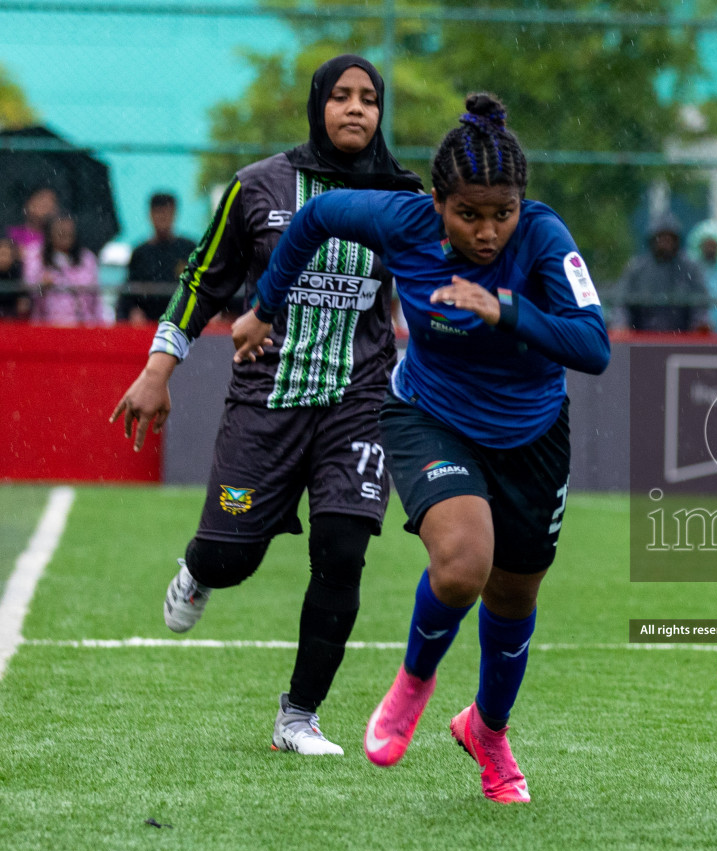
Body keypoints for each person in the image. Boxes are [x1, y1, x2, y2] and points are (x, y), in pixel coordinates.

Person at [232, 93, 610, 804]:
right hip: (429, 416)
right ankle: (413, 682)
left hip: (532, 434)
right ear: (436, 201)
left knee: (514, 593)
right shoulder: (399, 221)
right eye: (469, 214)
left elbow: (594, 346)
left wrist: (505, 309)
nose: (489, 231)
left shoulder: (546, 238)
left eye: (502, 213)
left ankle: (487, 731)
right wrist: (264, 307)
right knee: (464, 566)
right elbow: (314, 218)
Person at [109, 55, 422, 755]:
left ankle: (299, 716)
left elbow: (436, 291)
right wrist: (158, 371)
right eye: (340, 96)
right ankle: (198, 572)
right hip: (267, 399)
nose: (354, 109)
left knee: (342, 553)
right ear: (317, 106)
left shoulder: (404, 198)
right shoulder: (257, 187)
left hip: (361, 400)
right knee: (230, 559)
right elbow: (202, 281)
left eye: (368, 99)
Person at [612, 211, 709, 333]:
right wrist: (621, 325)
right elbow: (621, 303)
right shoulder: (636, 268)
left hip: (683, 337)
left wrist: (699, 325)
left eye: (670, 238)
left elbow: (700, 305)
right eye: (661, 238)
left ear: (677, 240)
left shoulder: (690, 268)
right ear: (652, 240)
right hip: (642, 337)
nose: (665, 242)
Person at [116, 193, 196, 323]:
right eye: (159, 213)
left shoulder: (189, 250)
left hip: (183, 323)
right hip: (148, 323)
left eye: (167, 212)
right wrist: (134, 312)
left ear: (174, 214)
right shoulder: (140, 254)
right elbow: (128, 295)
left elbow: (204, 288)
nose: (163, 218)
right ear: (150, 215)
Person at [25, 212, 102, 325]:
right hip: (47, 325)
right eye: (60, 231)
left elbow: (96, 298)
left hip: (82, 325)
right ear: (50, 233)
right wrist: (41, 285)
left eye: (69, 232)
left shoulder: (87, 258)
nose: (64, 234)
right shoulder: (35, 255)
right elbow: (27, 288)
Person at [8, 186, 57, 259]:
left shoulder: (58, 239)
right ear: (28, 203)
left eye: (51, 200)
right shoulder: (11, 234)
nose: (46, 204)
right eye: (41, 199)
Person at [0, 236, 29, 318]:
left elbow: (24, 301)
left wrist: (24, 302)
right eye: (1, 254)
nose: (3, 259)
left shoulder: (17, 272)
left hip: (12, 319)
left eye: (6, 254)